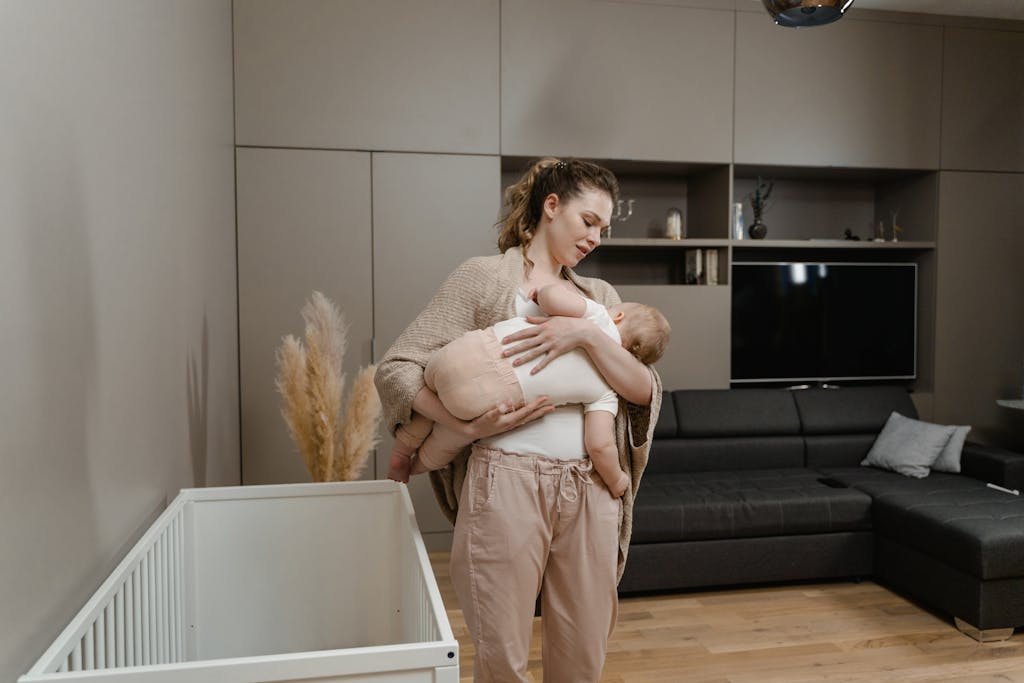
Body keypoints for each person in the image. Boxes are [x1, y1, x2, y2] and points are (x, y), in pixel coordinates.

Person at [375, 157, 663, 682]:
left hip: (590, 487)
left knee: (583, 650)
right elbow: (399, 367)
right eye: (589, 222)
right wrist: (466, 425)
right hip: (505, 481)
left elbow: (643, 390)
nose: (596, 238)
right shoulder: (482, 277)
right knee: (501, 651)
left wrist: (585, 336)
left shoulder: (600, 299)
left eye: (605, 228)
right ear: (551, 207)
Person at [385, 282, 670, 498]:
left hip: (462, 352)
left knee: (429, 395)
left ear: (618, 316)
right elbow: (599, 444)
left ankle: (400, 453)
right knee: (449, 435)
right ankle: (417, 466)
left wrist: (542, 292)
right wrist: (618, 480)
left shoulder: (594, 314)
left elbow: (552, 298)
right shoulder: (607, 388)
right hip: (484, 399)